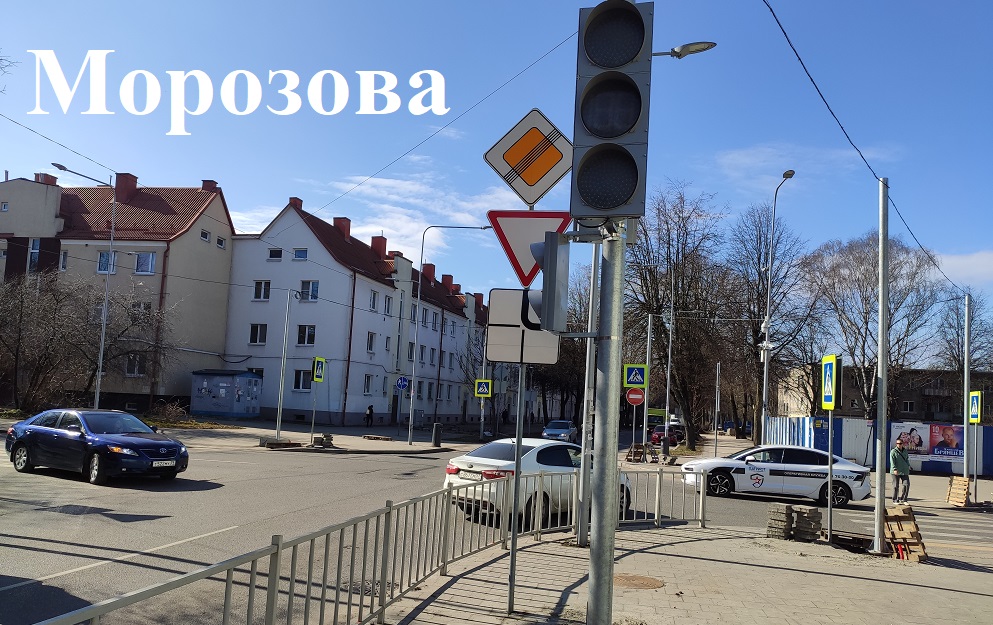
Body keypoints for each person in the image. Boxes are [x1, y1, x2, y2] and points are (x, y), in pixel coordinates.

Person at [890, 437, 911, 504]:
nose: (898, 444)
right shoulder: (893, 451)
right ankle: (895, 499)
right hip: (896, 471)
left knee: (906, 485)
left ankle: (904, 499)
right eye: (897, 443)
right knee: (895, 486)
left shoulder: (905, 451)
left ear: (902, 444)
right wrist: (894, 469)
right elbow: (892, 461)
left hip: (904, 470)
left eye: (900, 443)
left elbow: (906, 459)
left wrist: (908, 465)